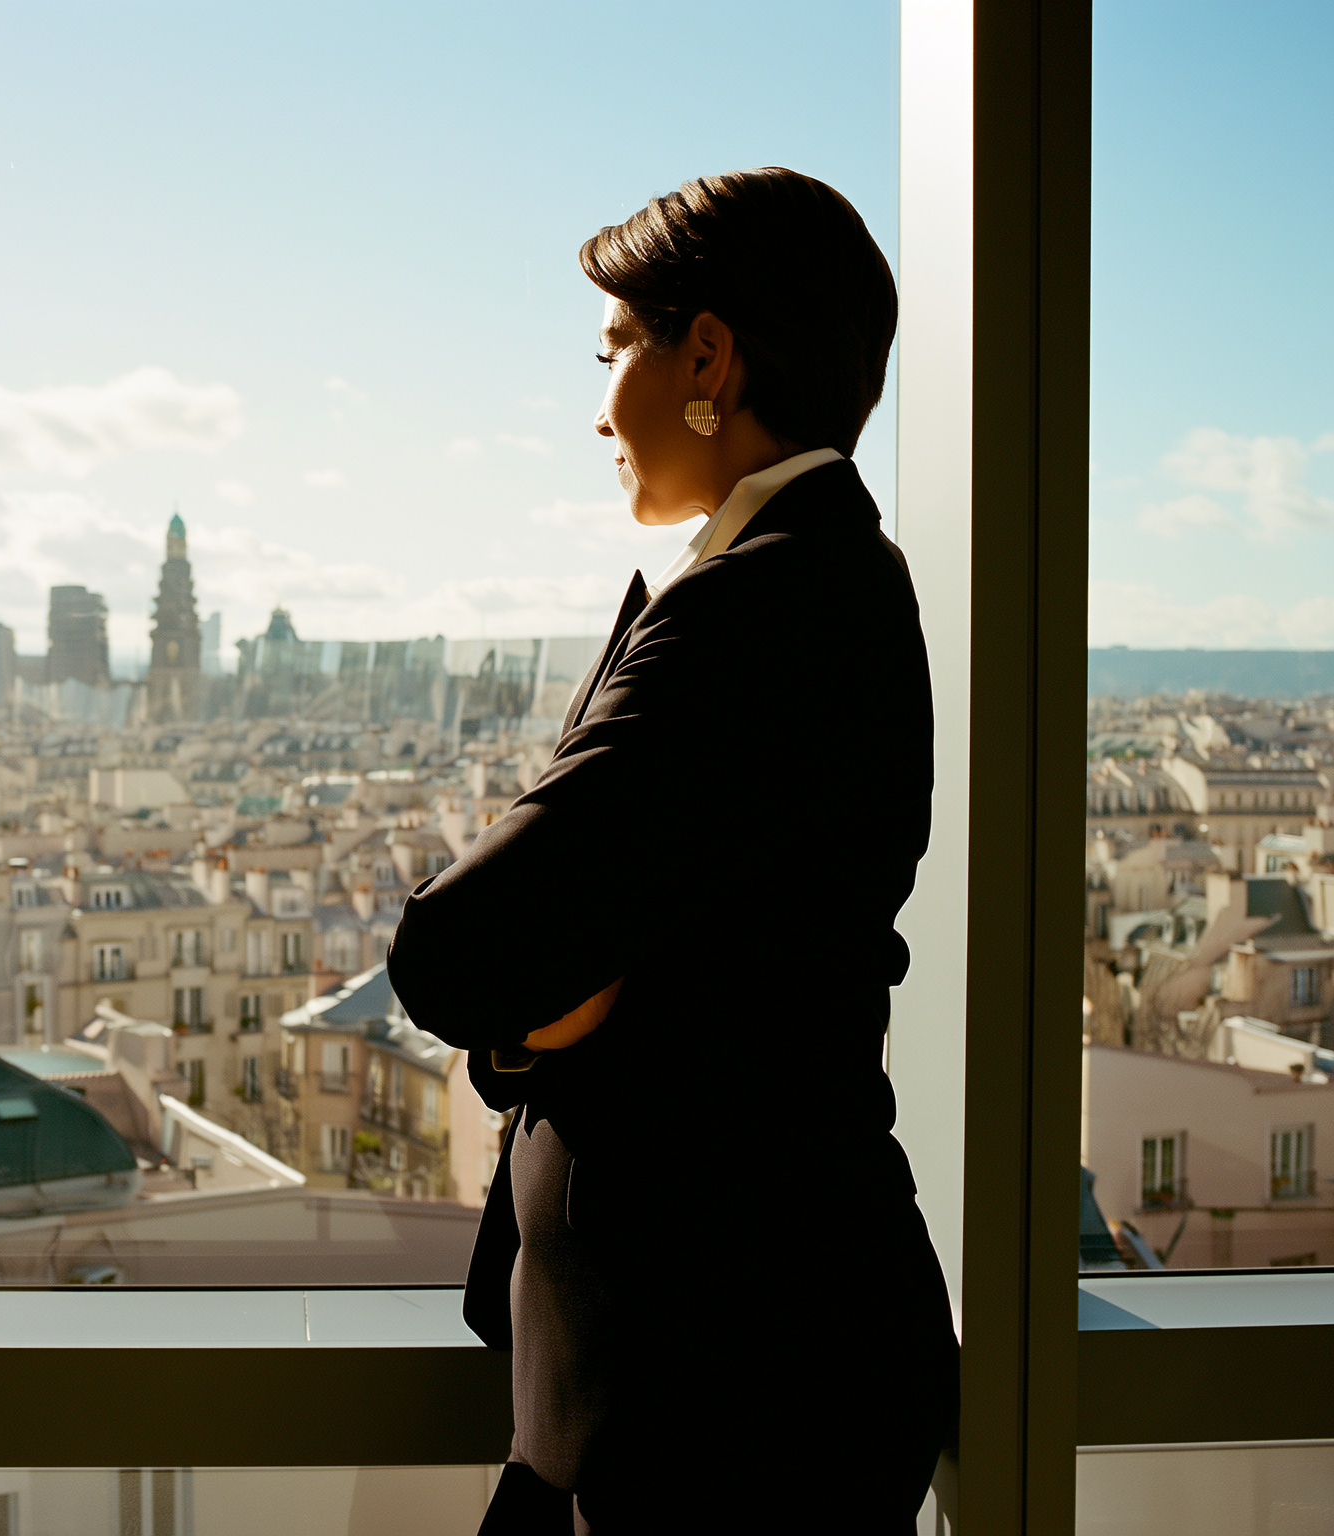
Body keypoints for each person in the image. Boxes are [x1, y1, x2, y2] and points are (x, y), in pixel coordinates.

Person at [387, 169, 958, 1533]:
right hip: (729, 1368)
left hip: (724, 1391)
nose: (599, 406)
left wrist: (551, 1013)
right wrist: (564, 1018)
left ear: (707, 354)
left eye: (614, 351)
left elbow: (456, 950)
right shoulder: (808, 576)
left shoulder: (760, 603)